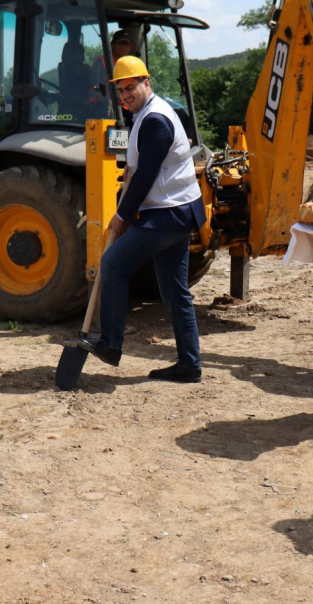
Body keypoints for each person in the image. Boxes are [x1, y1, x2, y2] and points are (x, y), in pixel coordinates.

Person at [79, 56, 206, 382]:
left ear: (146, 83)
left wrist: (121, 216)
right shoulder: (146, 115)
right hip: (177, 210)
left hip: (169, 212)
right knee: (174, 290)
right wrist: (128, 183)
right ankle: (189, 364)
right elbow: (140, 169)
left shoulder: (156, 121)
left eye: (130, 88)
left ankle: (111, 344)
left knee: (113, 264)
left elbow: (147, 175)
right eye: (120, 90)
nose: (125, 95)